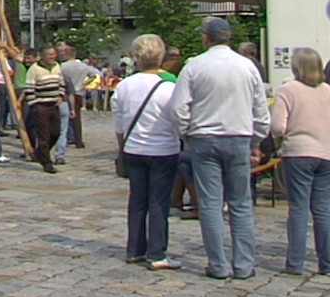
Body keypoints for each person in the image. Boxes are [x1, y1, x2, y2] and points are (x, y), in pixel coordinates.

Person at [168, 17, 269, 280]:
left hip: (204, 137)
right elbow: (261, 111)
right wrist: (256, 141)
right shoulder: (247, 67)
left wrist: (186, 134)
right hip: (238, 136)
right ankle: (244, 264)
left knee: (211, 203)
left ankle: (218, 263)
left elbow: (177, 108)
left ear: (206, 38)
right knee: (240, 203)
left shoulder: (195, 66)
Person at [113, 34, 181, 271]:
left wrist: (122, 147)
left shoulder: (124, 86)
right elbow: (179, 120)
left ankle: (134, 249)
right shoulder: (170, 88)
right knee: (159, 202)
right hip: (163, 149)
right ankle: (157, 252)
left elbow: (119, 125)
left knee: (137, 200)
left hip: (134, 148)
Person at [271, 47, 330, 275]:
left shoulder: (288, 90)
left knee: (298, 208)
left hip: (299, 152)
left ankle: (295, 262)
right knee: (323, 209)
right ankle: (326, 262)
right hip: (325, 153)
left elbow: (278, 126)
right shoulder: (328, 91)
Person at [24, 46, 65, 173]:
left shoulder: (57, 66)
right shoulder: (34, 69)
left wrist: (61, 95)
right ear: (43, 56)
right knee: (44, 136)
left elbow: (61, 83)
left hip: (54, 104)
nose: (52, 57)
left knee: (56, 132)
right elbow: (29, 88)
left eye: (54, 54)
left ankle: (39, 153)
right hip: (41, 106)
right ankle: (46, 162)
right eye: (50, 55)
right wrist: (34, 105)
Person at [59, 44, 91, 148]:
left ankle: (69, 136)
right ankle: (78, 140)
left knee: (66, 116)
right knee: (77, 118)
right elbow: (94, 75)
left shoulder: (63, 66)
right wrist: (84, 84)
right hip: (79, 92)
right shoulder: (83, 66)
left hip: (67, 92)